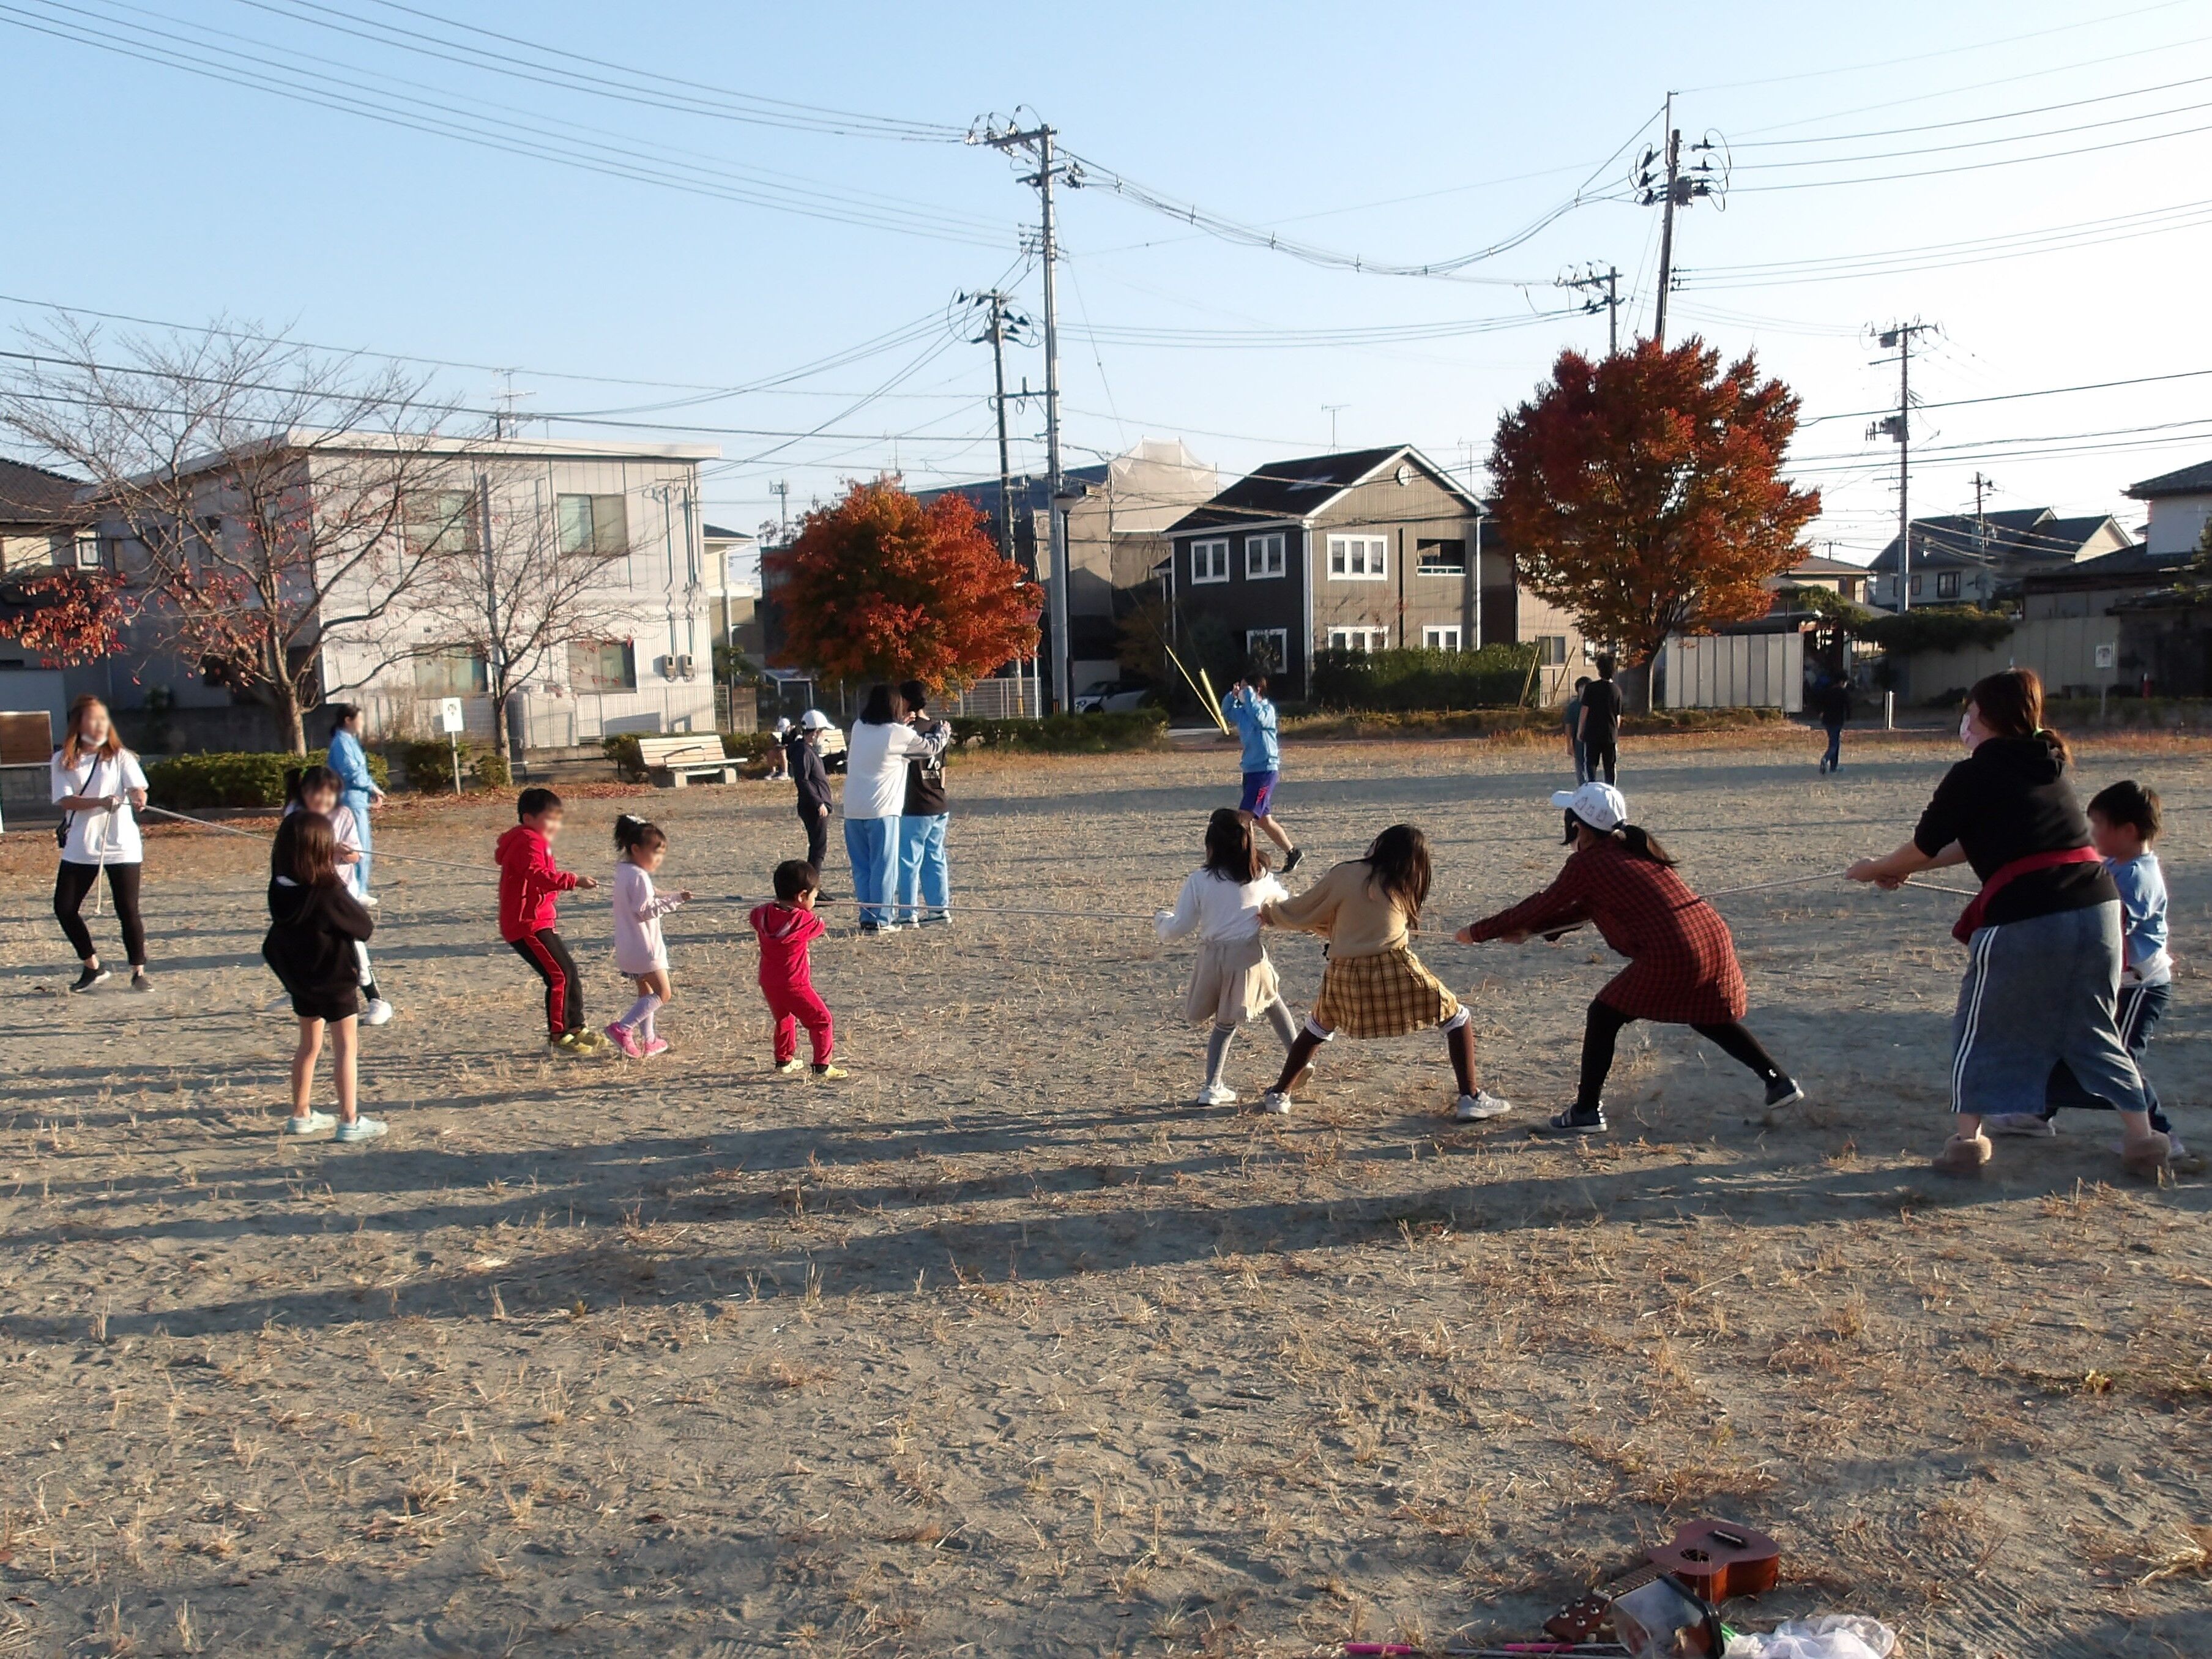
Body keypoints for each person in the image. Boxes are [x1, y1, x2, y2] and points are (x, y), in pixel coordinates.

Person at [1847, 669, 2167, 1179]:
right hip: (2099, 912)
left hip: (2027, 917)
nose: (1965, 720)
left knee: (1982, 1027)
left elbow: (1925, 843)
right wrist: (1895, 868)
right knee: (2091, 1027)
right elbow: (1971, 845)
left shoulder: (1973, 773)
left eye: (1969, 711)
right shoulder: (2051, 767)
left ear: (1983, 714)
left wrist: (1879, 867)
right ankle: (2144, 1139)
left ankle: (1966, 1141)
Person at [1461, 781, 1802, 1135]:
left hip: (1675, 951)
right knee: (1706, 1016)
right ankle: (1778, 1082)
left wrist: (1477, 932)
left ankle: (1586, 1111)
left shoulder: (1589, 864)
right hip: (1710, 938)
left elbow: (1543, 903)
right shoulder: (1633, 849)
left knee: (1604, 1015)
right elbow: (1584, 910)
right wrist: (1531, 931)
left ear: (1577, 826)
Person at [1255, 824, 1509, 1122]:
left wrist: (1271, 914)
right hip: (1396, 966)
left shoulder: (1347, 874)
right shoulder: (1403, 885)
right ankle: (1470, 1097)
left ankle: (1278, 1094)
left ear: (1379, 846)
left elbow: (1305, 908)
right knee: (1456, 1018)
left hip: (1344, 970)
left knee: (1317, 1029)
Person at [2016, 780, 2183, 1154]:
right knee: (2069, 1042)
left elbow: (2112, 929)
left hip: (2137, 986)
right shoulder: (2111, 864)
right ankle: (2036, 1114)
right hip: (2108, 981)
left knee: (2118, 1060)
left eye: (2097, 825)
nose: (2089, 832)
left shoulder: (2139, 876)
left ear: (2128, 831)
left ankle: (2161, 1136)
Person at [1155, 808, 1303, 1107]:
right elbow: (1284, 904)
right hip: (1247, 956)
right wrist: (1270, 915)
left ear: (1210, 845)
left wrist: (1161, 920)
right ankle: (1298, 1059)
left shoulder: (1199, 880)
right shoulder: (1261, 875)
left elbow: (1178, 928)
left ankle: (1213, 1086)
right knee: (1267, 1001)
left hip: (1213, 958)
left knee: (1241, 1015)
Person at [263, 811, 386, 1143]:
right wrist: (333, 869)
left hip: (301, 978)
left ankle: (300, 1114)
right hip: (335, 979)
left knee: (308, 1045)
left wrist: (325, 857)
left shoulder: (279, 885)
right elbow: (363, 927)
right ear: (320, 851)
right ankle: (350, 1119)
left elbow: (299, 868)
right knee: (346, 1048)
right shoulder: (326, 890)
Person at [50, 694, 151, 993]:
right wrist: (99, 802)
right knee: (64, 907)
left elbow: (138, 788)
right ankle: (92, 966)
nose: (100, 725)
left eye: (103, 719)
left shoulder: (121, 757)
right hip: (82, 844)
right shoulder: (63, 760)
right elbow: (65, 800)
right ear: (78, 724)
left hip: (122, 844)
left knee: (128, 909)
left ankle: (139, 971)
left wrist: (138, 798)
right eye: (93, 719)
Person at [496, 786, 604, 1056]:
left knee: (569, 971)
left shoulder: (532, 840)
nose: (556, 825)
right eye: (550, 818)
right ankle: (559, 1035)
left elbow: (539, 880)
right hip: (526, 923)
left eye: (558, 819)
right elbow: (538, 875)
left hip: (538, 919)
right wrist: (573, 880)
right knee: (559, 975)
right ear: (528, 818)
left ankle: (576, 1027)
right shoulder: (530, 840)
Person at [285, 764, 393, 1026]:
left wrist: (344, 852)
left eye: (328, 795)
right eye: (316, 794)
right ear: (305, 792)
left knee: (352, 944)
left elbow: (356, 856)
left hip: (339, 891)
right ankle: (300, 990)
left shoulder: (343, 815)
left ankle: (375, 999)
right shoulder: (294, 813)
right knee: (307, 944)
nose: (322, 800)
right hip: (307, 892)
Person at [842, 684, 950, 934]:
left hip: (853, 809)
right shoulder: (897, 733)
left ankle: (867, 917)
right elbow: (929, 747)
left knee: (862, 867)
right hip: (882, 809)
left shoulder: (859, 727)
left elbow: (885, 738)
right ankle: (882, 919)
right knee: (884, 866)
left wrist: (901, 723)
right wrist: (944, 731)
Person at [605, 813, 690, 1059]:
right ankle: (623, 1028)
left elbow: (648, 895)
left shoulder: (623, 870)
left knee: (645, 993)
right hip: (646, 948)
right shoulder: (639, 876)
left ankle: (650, 1039)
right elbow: (645, 911)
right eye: (655, 853)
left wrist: (673, 894)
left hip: (628, 946)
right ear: (636, 849)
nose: (659, 860)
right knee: (663, 994)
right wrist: (675, 901)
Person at [750, 858, 844, 1078]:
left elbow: (754, 915)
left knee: (784, 1017)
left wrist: (775, 906)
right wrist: (804, 911)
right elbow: (820, 926)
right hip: (795, 983)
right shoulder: (803, 920)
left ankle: (784, 1060)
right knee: (822, 1020)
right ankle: (822, 1065)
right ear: (801, 896)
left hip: (769, 981)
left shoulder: (762, 914)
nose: (814, 901)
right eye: (813, 896)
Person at [1222, 676, 1303, 873]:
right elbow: (1227, 712)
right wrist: (1232, 697)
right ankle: (1293, 852)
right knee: (1263, 820)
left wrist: (1248, 695)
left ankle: (1243, 859)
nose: (1241, 690)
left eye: (1244, 687)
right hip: (1251, 770)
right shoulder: (1244, 712)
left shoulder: (1267, 710)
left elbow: (1259, 718)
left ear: (1257, 689)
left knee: (1245, 816)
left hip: (1265, 771)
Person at [896, 679, 952, 926]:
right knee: (935, 857)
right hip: (938, 802)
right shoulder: (937, 727)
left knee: (909, 860)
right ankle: (940, 909)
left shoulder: (906, 731)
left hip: (914, 803)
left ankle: (909, 913)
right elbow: (943, 772)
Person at [326, 704, 385, 906]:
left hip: (357, 799)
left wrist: (369, 790)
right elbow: (351, 772)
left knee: (362, 844)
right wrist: (372, 788)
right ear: (348, 721)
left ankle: (360, 888)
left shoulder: (349, 741)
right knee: (357, 846)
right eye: (359, 719)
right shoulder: (341, 742)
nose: (362, 723)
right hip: (349, 801)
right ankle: (356, 890)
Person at [789, 709, 835, 878]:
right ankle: (811, 885)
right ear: (815, 732)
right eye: (822, 731)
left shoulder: (807, 750)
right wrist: (819, 802)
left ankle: (813, 884)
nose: (823, 735)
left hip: (815, 805)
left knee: (818, 846)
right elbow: (803, 780)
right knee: (818, 847)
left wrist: (839, 757)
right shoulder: (803, 751)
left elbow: (818, 765)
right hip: (814, 807)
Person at [1577, 657, 1623, 785]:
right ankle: (1611, 791)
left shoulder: (1591, 688)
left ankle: (1591, 787)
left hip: (1592, 733)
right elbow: (1618, 717)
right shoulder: (1617, 691)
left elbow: (1584, 711)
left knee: (1591, 763)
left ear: (1599, 670)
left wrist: (1580, 730)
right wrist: (1615, 730)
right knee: (1610, 766)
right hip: (1610, 734)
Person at [1817, 676, 1853, 774]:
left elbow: (1820, 704)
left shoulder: (1828, 691)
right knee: (1835, 744)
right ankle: (1826, 759)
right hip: (1837, 720)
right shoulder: (1843, 692)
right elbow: (1848, 706)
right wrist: (1849, 717)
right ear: (1842, 682)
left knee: (1833, 741)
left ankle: (1834, 766)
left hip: (1827, 720)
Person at [1565, 676, 1592, 784]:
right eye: (1582, 687)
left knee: (1590, 764)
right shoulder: (1573, 706)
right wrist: (1569, 744)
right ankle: (1582, 786)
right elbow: (1568, 725)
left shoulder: (1594, 705)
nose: (1584, 690)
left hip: (1592, 740)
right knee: (1579, 765)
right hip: (1578, 740)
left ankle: (1591, 785)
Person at [765, 717, 792, 781]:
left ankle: (785, 773)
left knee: (782, 752)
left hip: (792, 751)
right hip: (782, 749)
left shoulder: (793, 732)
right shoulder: (780, 734)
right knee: (771, 753)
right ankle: (773, 772)